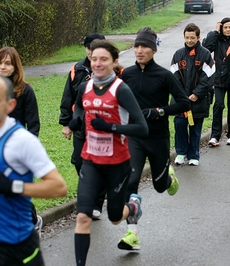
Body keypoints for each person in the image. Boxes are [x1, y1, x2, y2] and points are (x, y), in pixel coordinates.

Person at [69, 39, 149, 266]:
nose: (97, 63)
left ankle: (133, 206)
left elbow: (142, 128)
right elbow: (79, 109)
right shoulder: (84, 86)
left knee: (115, 218)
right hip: (91, 161)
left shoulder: (121, 90)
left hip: (117, 164)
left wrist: (111, 127)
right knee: (83, 216)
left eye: (103, 59)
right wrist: (75, 122)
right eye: (94, 59)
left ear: (114, 62)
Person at [120, 27, 190, 250]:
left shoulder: (164, 75)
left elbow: (183, 103)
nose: (139, 50)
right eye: (137, 46)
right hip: (135, 137)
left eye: (145, 47)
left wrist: (161, 111)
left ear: (153, 50)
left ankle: (169, 177)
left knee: (160, 187)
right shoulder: (126, 75)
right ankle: (132, 235)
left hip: (158, 137)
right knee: (131, 181)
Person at [0, 74, 67, 265]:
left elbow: (59, 187)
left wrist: (13, 187)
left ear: (10, 106)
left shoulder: (21, 141)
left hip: (14, 247)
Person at [0, 46, 43, 234]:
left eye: (7, 63)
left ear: (15, 67)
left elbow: (33, 124)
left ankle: (32, 222)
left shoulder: (25, 91)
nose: (2, 67)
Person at [59, 33, 106, 220]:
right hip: (80, 126)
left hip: (102, 127)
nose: (91, 51)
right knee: (79, 161)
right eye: (88, 47)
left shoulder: (111, 70)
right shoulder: (76, 70)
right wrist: (66, 124)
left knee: (99, 164)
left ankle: (96, 204)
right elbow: (67, 98)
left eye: (95, 47)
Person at [170, 23, 215, 166]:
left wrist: (196, 94)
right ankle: (181, 153)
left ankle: (194, 155)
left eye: (192, 38)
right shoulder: (178, 54)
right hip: (180, 101)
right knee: (179, 124)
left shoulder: (205, 55)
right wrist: (182, 96)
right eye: (187, 37)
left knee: (195, 129)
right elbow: (173, 77)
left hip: (199, 101)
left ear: (198, 37)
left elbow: (208, 78)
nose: (189, 40)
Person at [203, 17, 230, 147]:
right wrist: (215, 32)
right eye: (225, 27)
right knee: (218, 105)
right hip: (219, 79)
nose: (228, 30)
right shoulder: (217, 40)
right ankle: (215, 136)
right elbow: (206, 48)